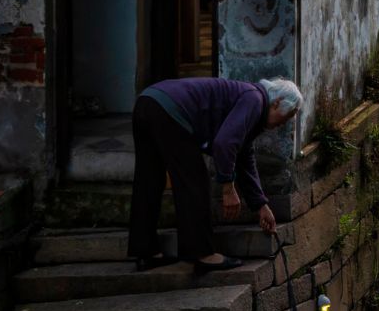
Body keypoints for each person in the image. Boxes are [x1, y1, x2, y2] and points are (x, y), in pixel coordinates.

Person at [127, 76, 303, 273]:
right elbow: (225, 143)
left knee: (149, 180)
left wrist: (261, 205)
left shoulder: (251, 101)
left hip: (147, 102)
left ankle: (145, 251)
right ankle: (202, 254)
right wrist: (228, 187)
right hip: (171, 111)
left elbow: (244, 156)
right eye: (287, 116)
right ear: (277, 102)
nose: (284, 123)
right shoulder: (255, 99)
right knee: (194, 181)